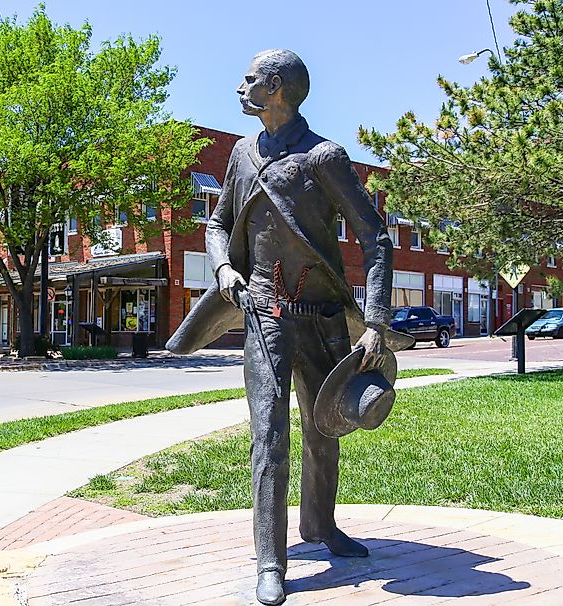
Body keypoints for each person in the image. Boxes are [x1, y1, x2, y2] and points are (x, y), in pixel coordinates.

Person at [166, 49, 411, 605]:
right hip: (265, 316)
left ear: (275, 88)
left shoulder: (324, 158)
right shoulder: (241, 155)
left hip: (324, 321)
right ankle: (270, 561)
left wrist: (373, 322)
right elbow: (218, 223)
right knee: (269, 438)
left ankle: (320, 527)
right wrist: (226, 267)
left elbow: (375, 238)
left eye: (250, 79)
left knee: (326, 429)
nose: (241, 86)